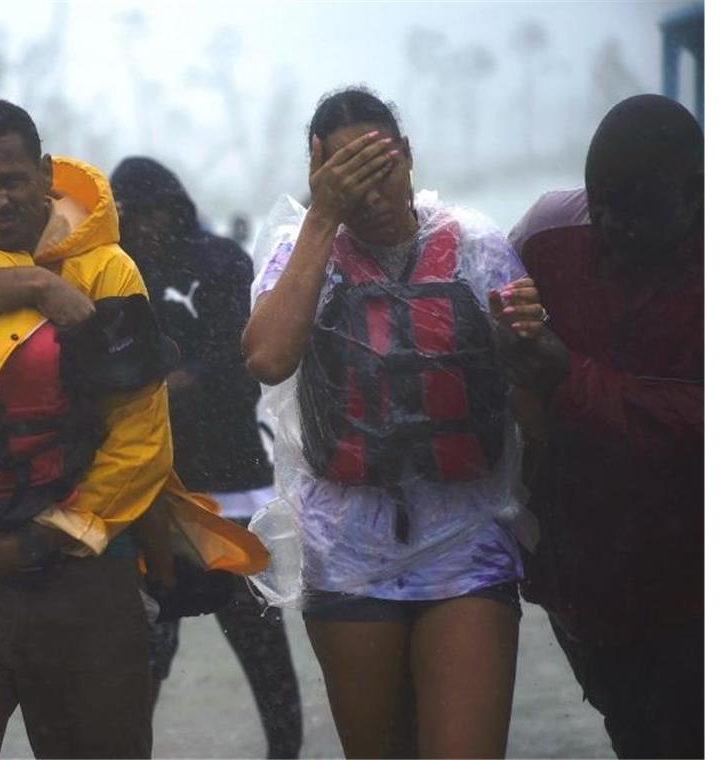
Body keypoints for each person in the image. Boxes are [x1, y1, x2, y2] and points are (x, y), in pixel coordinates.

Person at [0, 99, 266, 759]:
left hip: (82, 573)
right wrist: (30, 286)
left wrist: (33, 545)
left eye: (11, 179)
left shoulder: (107, 270)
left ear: (46, 173)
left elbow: (139, 443)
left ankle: (163, 592)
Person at [242, 86, 546, 758]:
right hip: (347, 550)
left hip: (467, 542)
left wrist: (532, 338)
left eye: (381, 169)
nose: (371, 195)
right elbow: (266, 356)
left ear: (408, 156)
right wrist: (325, 216)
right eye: (347, 178)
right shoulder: (300, 253)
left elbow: (538, 396)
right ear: (317, 171)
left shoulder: (474, 247)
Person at [502, 93, 704, 759]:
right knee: (636, 733)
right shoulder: (549, 235)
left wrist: (570, 374)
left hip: (694, 577)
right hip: (584, 577)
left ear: (699, 192)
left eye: (636, 207)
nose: (611, 223)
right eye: (600, 202)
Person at [110, 156, 303, 759]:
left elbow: (249, 363)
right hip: (150, 497)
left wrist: (173, 387)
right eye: (129, 216)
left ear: (177, 205)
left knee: (261, 643)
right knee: (144, 650)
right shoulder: (113, 278)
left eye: (153, 211)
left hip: (233, 490)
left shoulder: (221, 261)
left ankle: (284, 753)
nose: (144, 227)